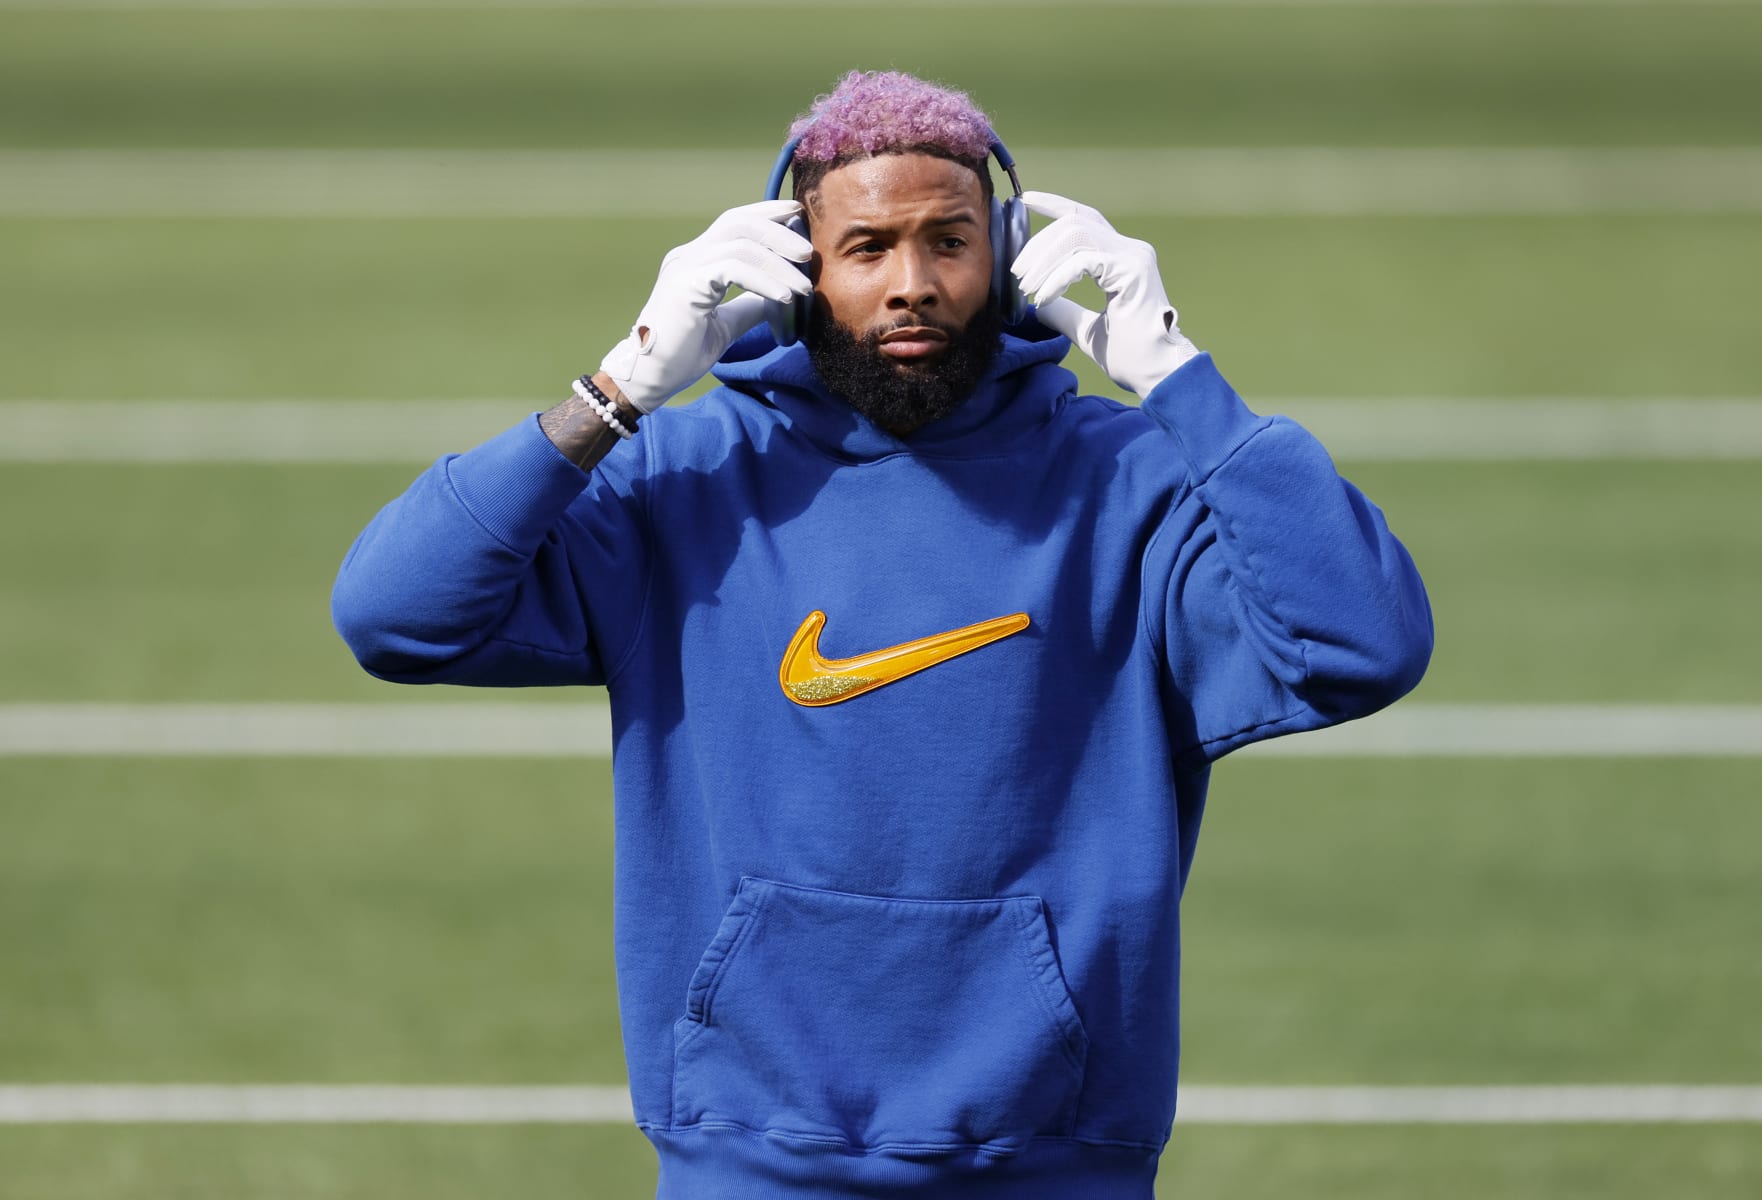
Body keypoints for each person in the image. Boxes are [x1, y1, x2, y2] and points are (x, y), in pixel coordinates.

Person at [333, 71, 1431, 1200]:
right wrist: (616, 390)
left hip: (1053, 1160)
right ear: (795, 265)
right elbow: (393, 613)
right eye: (866, 248)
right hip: (748, 1157)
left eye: (949, 241)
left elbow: (1362, 644)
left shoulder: (1133, 486)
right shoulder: (681, 480)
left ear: (1008, 254)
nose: (913, 284)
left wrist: (1179, 379)